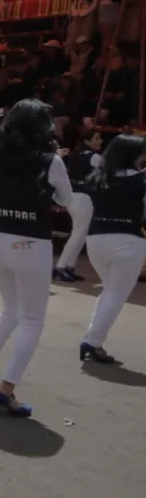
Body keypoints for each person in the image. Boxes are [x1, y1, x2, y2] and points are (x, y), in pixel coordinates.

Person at [0, 99, 72, 417]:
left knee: (10, 310)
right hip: (31, 240)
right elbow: (66, 198)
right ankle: (6, 390)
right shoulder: (49, 160)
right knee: (32, 319)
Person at [79, 134, 146, 364]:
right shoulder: (140, 180)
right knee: (116, 294)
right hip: (128, 241)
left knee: (110, 291)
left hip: (96, 240)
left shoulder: (97, 178)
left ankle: (93, 338)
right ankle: (93, 341)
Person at [54, 130, 103, 281]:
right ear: (87, 141)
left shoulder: (76, 155)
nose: (100, 141)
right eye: (96, 138)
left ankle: (69, 265)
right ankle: (61, 267)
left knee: (79, 234)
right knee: (78, 235)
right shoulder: (95, 157)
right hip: (84, 199)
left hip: (73, 197)